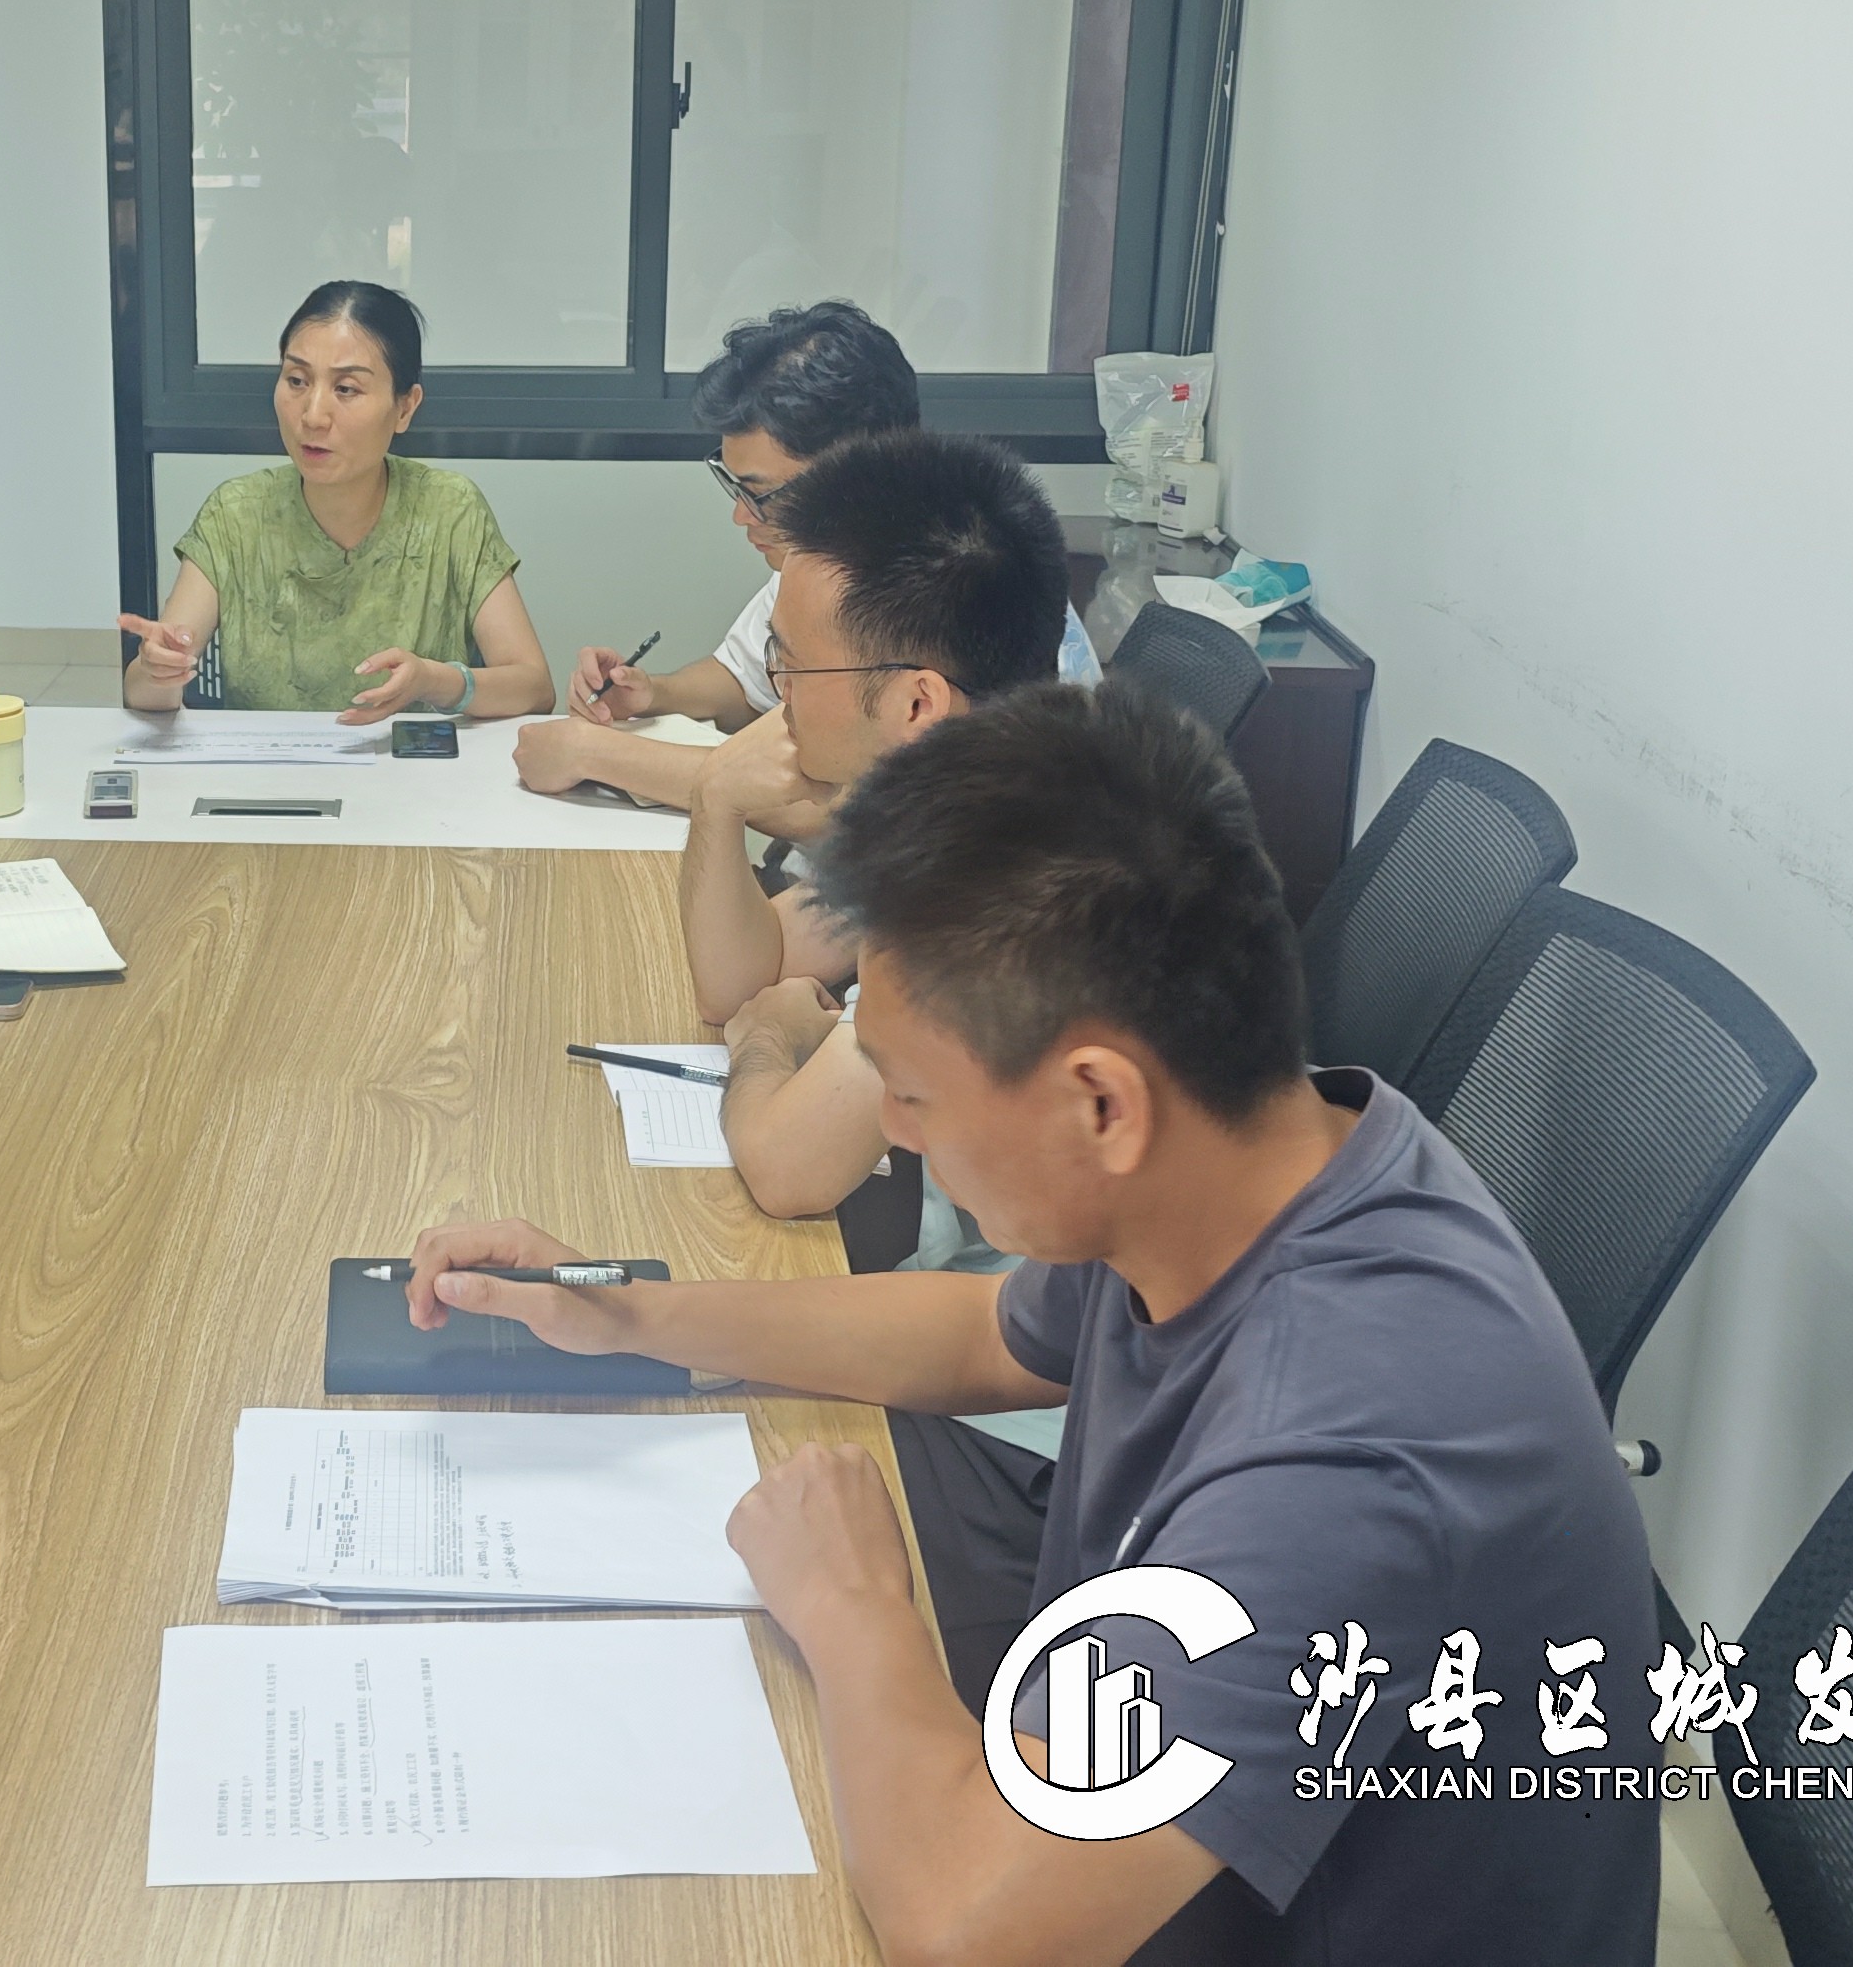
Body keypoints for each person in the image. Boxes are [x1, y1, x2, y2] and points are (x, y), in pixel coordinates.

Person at [399, 690, 1658, 1964]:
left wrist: (852, 1603)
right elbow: (982, 1335)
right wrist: (630, 1313)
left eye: (911, 1092)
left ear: (1098, 1104)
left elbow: (967, 1930)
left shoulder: (1344, 1456)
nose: (893, 1132)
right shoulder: (1248, 1161)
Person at [675, 437, 1082, 1337]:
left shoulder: (1008, 878)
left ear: (915, 704)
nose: (777, 693)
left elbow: (787, 1169)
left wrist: (771, 1039)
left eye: (792, 665)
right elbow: (740, 975)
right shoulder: (973, 789)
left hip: (1030, 1364)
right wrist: (715, 798)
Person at [512, 301, 1097, 812]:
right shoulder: (831, 558)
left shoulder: (962, 584)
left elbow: (849, 813)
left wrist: (596, 754)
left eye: (762, 494)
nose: (742, 516)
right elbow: (744, 678)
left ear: (859, 471)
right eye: (733, 486)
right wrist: (653, 692)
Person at [120, 280, 550, 723]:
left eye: (346, 389)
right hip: (268, 764)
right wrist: (158, 671)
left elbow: (534, 689)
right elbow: (142, 692)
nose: (313, 415)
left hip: (406, 763)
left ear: (405, 407)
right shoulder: (236, 513)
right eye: (297, 381)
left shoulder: (450, 509)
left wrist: (433, 681)